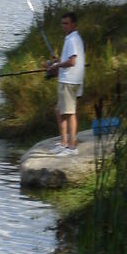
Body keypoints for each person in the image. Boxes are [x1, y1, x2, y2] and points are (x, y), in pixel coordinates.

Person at [46, 11, 85, 155]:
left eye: (66, 23)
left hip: (69, 81)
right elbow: (68, 60)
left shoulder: (72, 40)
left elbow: (72, 61)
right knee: (59, 111)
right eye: (62, 23)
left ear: (74, 24)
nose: (64, 26)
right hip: (67, 80)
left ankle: (72, 147)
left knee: (70, 113)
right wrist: (57, 63)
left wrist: (56, 66)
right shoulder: (71, 38)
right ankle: (63, 143)